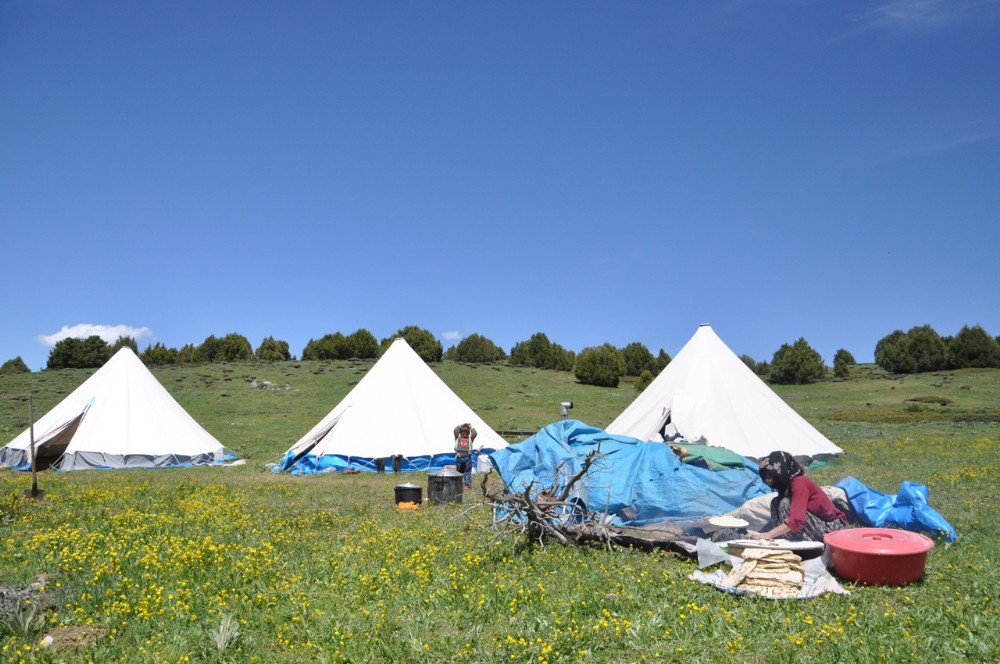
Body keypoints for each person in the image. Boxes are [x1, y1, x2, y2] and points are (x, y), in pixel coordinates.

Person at [747, 451, 847, 542]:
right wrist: (761, 534)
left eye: (770, 477)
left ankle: (798, 544)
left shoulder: (799, 482)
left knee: (785, 504)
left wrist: (769, 534)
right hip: (817, 525)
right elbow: (776, 521)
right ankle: (786, 540)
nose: (769, 481)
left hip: (832, 529)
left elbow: (797, 519)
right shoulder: (786, 487)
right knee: (775, 502)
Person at [453, 423, 477, 489]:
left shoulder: (470, 439)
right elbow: (455, 430)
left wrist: (471, 427)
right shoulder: (457, 438)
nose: (465, 435)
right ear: (460, 433)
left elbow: (474, 433)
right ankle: (458, 484)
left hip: (467, 459)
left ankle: (467, 485)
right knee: (459, 472)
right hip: (459, 458)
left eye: (466, 434)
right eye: (463, 434)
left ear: (468, 434)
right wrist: (461, 425)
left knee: (467, 472)